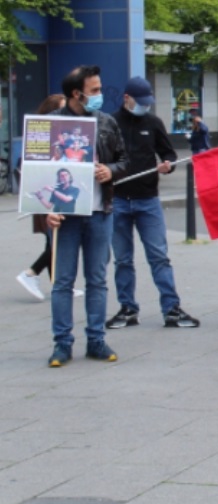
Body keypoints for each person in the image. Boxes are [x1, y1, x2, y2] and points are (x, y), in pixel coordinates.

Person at [45, 64, 129, 367]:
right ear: (76, 94)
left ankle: (96, 339)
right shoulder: (51, 124)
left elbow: (123, 159)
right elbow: (31, 171)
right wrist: (46, 213)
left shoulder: (106, 122)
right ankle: (62, 344)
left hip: (99, 211)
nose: (99, 95)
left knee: (97, 279)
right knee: (63, 282)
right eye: (94, 91)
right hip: (65, 216)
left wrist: (111, 170)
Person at [107, 76, 199, 330]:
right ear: (127, 98)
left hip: (148, 200)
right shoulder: (110, 123)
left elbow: (168, 153)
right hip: (118, 200)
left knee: (159, 256)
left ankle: (171, 308)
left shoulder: (153, 122)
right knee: (123, 259)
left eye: (148, 102)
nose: (145, 106)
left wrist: (167, 166)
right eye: (140, 102)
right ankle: (127, 309)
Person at [16, 94, 84, 302]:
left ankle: (60, 285)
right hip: (47, 199)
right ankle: (31, 274)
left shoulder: (59, 141)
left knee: (53, 241)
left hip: (53, 198)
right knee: (56, 240)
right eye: (61, 110)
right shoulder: (43, 139)